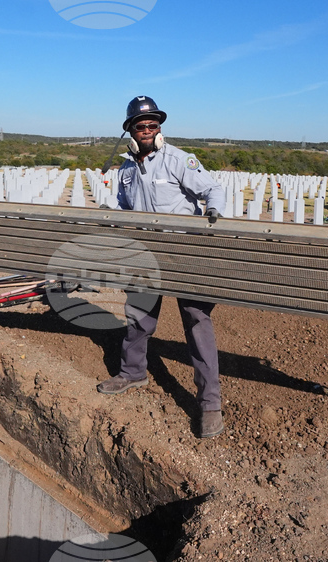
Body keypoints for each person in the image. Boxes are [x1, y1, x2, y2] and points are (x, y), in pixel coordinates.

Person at [96, 95, 228, 438]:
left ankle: (209, 403)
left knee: (197, 321)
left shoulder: (179, 160)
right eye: (141, 125)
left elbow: (213, 188)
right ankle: (132, 371)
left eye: (153, 125)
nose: (148, 130)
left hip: (182, 250)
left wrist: (213, 213)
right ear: (131, 130)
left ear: (159, 128)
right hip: (146, 253)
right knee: (138, 315)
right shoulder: (125, 170)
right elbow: (125, 208)